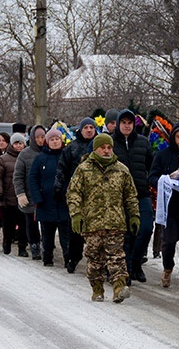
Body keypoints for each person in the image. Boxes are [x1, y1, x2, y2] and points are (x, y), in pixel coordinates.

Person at [67, 133, 139, 303]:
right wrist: (76, 214)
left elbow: (130, 195)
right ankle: (97, 288)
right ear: (95, 149)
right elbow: (73, 193)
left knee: (117, 257)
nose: (106, 151)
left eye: (109, 148)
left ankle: (119, 288)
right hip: (92, 224)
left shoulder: (122, 170)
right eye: (103, 148)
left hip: (115, 222)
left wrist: (134, 215)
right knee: (95, 258)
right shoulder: (83, 169)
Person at [111, 109, 154, 283]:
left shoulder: (143, 143)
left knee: (145, 229)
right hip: (118, 196)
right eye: (124, 123)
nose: (127, 126)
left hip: (140, 194)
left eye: (130, 123)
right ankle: (126, 269)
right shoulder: (111, 143)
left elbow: (152, 166)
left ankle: (136, 263)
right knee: (125, 234)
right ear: (118, 124)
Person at [149, 121, 179, 291]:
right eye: (178, 137)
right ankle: (167, 268)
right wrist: (165, 179)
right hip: (169, 206)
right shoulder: (162, 155)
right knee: (168, 242)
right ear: (173, 137)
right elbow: (152, 176)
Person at [55, 117, 97, 273]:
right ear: (81, 129)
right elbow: (62, 169)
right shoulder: (72, 148)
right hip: (77, 195)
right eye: (85, 127)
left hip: (96, 196)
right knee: (75, 231)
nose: (88, 130)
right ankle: (73, 257)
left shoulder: (100, 147)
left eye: (91, 127)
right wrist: (59, 188)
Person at [28, 127, 69, 267]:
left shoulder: (66, 155)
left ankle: (68, 260)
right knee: (47, 234)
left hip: (65, 202)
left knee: (65, 234)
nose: (55, 142)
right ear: (47, 142)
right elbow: (32, 179)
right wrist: (37, 198)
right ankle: (48, 258)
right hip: (46, 202)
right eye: (52, 139)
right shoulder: (40, 158)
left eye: (57, 139)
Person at [0, 133, 29, 256]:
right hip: (7, 198)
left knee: (23, 224)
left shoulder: (27, 158)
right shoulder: (3, 159)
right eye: (16, 143)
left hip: (23, 198)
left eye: (20, 143)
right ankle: (6, 243)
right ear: (11, 145)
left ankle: (22, 247)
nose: (18, 146)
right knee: (8, 225)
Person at [14, 125, 45, 260]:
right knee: (31, 224)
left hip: (46, 195)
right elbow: (18, 176)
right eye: (37, 137)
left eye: (43, 137)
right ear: (32, 138)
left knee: (46, 223)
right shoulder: (25, 154)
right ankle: (34, 245)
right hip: (29, 194)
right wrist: (20, 194)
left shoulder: (49, 152)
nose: (40, 140)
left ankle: (47, 246)